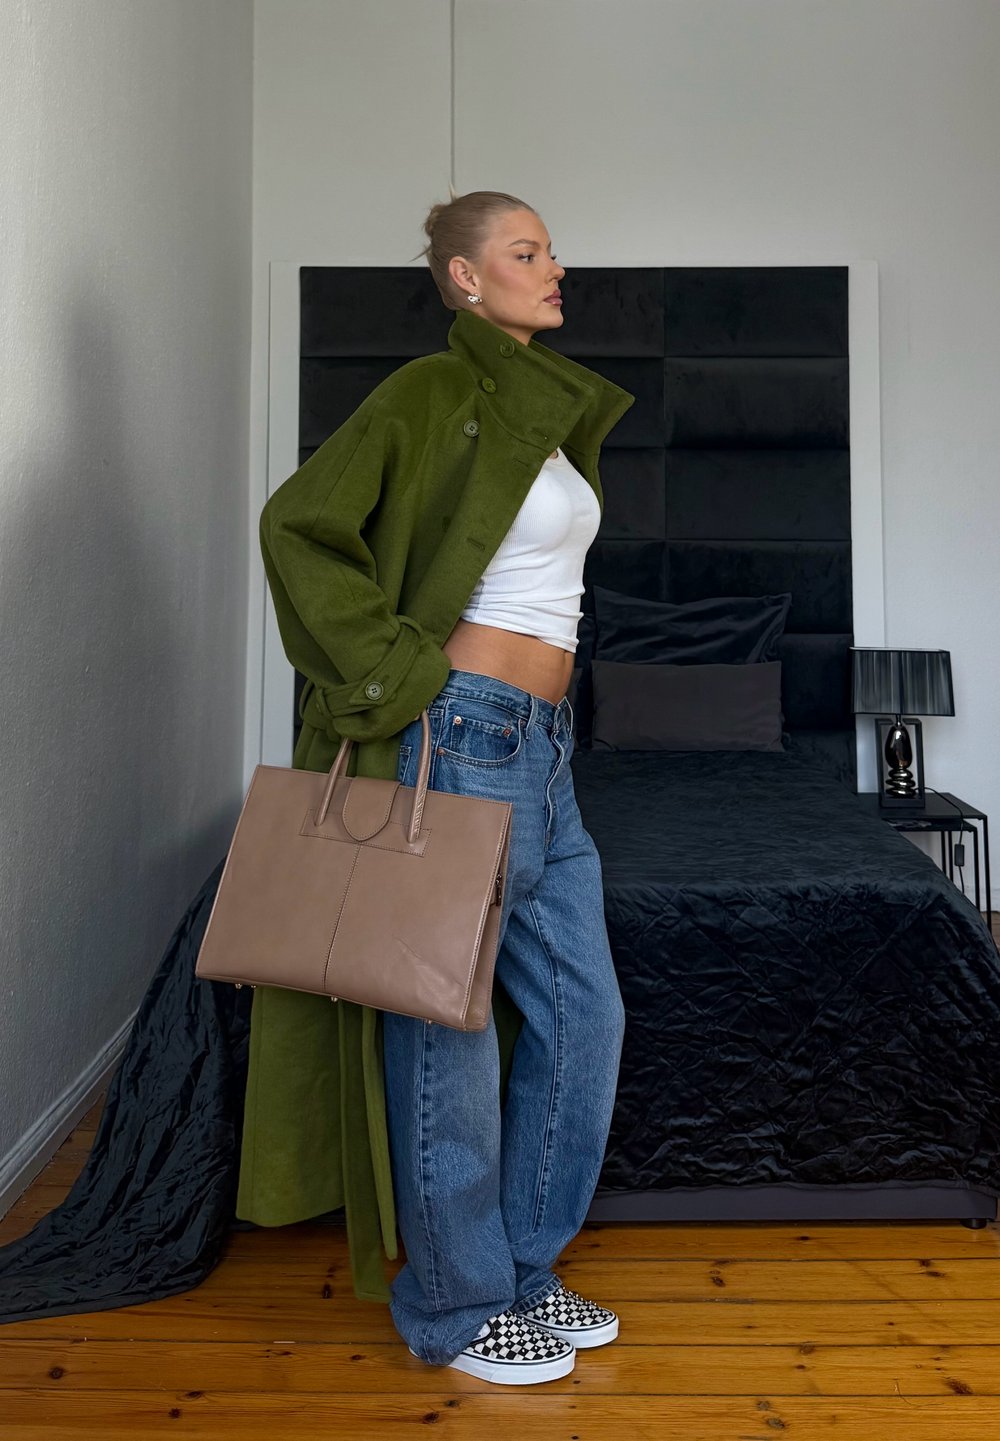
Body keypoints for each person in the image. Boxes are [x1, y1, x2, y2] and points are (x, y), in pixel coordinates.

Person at [253, 189, 634, 1386]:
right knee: (449, 1024)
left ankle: (518, 1267)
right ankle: (457, 1306)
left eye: (552, 251)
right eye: (525, 253)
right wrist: (402, 675)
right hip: (458, 732)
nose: (552, 268)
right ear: (464, 280)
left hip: (546, 746)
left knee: (585, 1013)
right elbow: (301, 525)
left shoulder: (543, 415)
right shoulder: (427, 393)